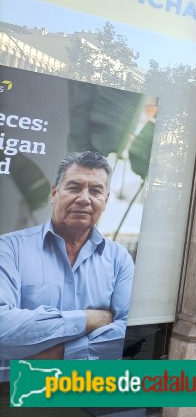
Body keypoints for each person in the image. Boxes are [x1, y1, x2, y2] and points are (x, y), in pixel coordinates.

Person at [0, 151, 135, 381]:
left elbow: (131, 336)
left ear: (105, 200)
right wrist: (91, 319)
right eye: (74, 187)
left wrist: (61, 354)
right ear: (55, 193)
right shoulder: (9, 249)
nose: (84, 198)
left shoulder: (119, 259)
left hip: (90, 391)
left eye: (95, 191)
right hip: (18, 391)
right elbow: (3, 329)